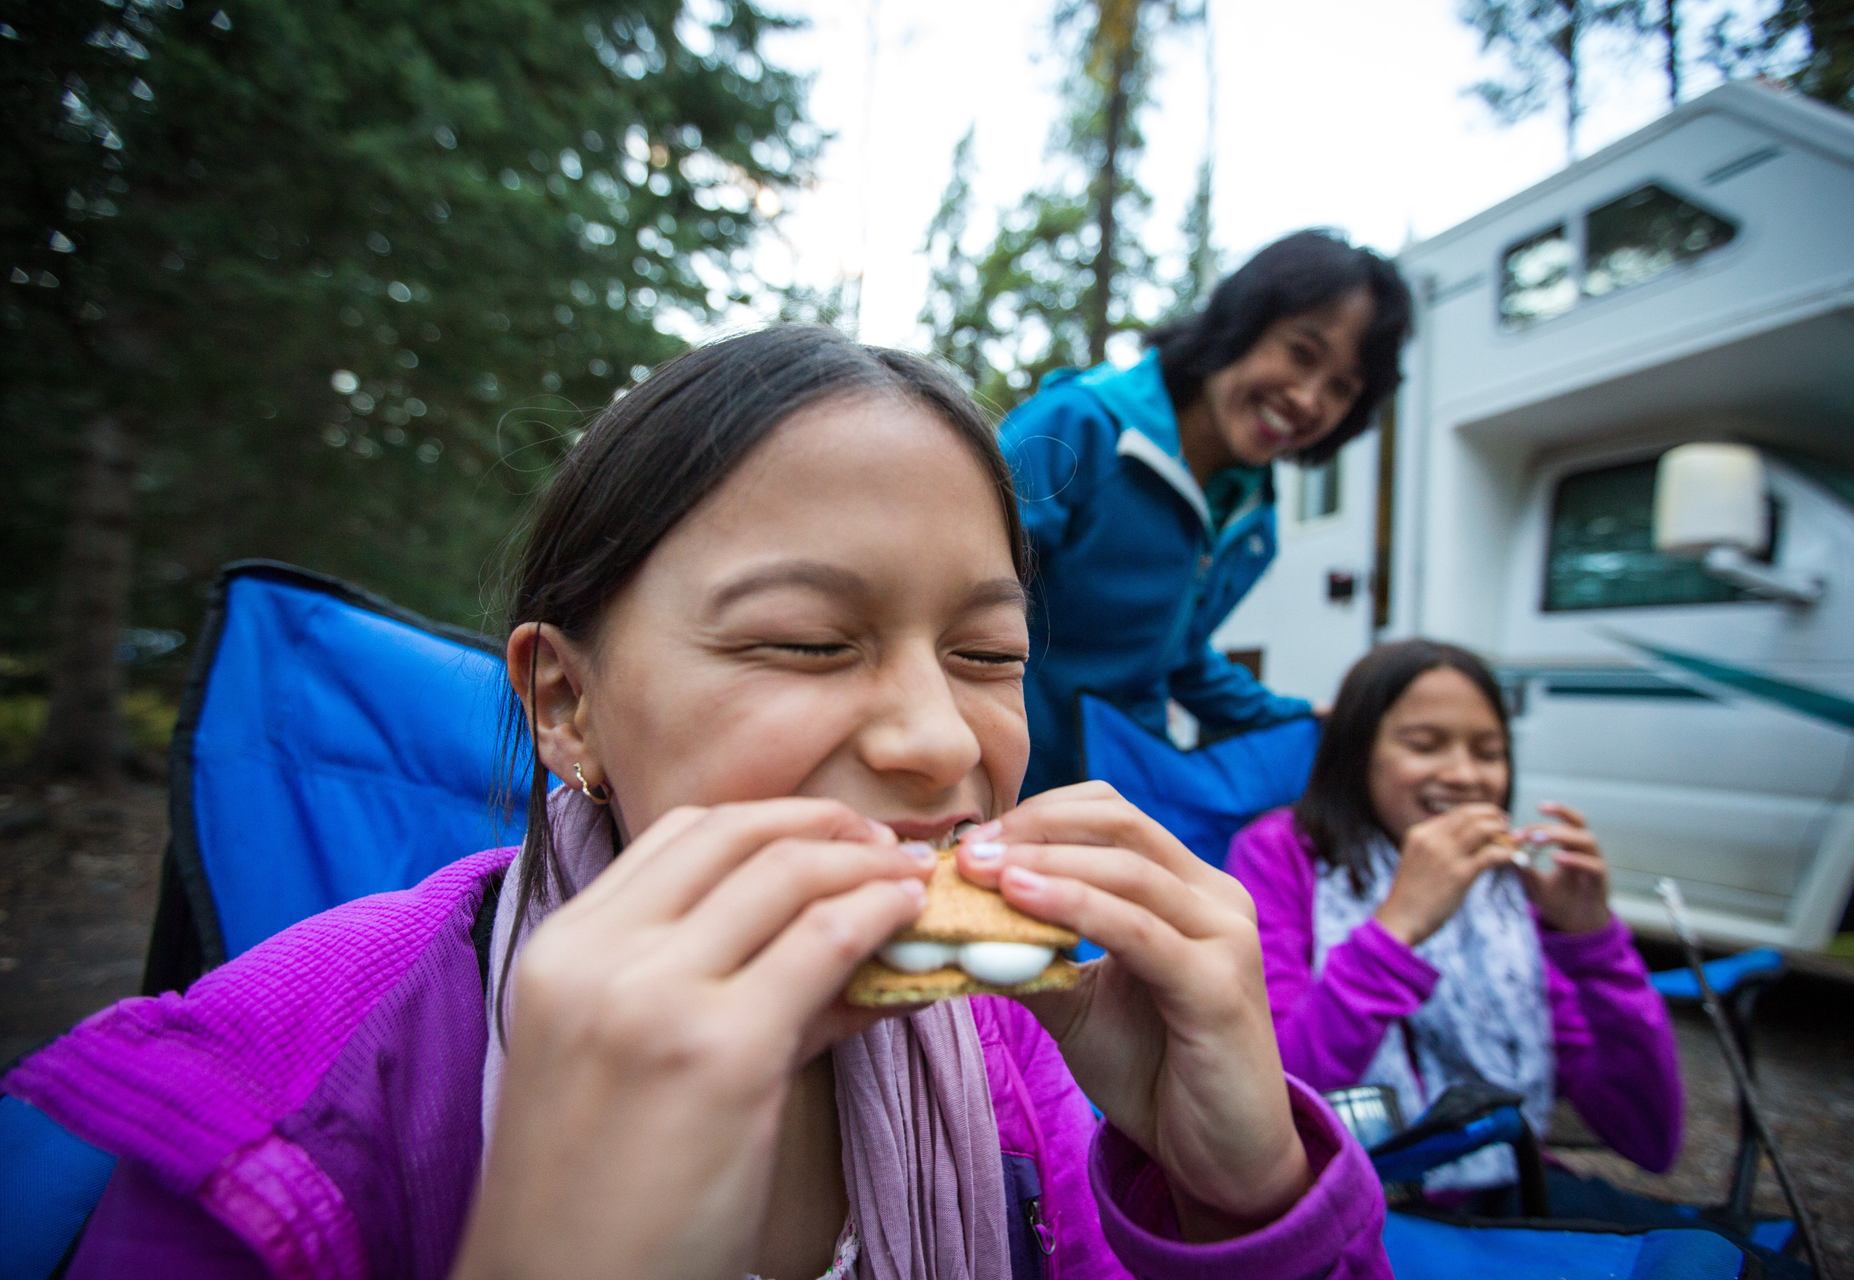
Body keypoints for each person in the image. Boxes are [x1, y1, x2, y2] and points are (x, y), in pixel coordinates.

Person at [9, 327, 1391, 1279]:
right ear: (566, 706)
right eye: (803, 641)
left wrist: (1242, 1197)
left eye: (988, 657)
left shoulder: (1025, 1054)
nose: (934, 741)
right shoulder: (285, 1111)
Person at [1225, 639, 1685, 1211]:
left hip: (1509, 1180)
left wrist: (1594, 946)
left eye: (1489, 752)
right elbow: (1270, 1102)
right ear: (1355, 752)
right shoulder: (1280, 855)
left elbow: (1647, 1139)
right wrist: (1398, 930)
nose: (1466, 775)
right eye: (1425, 745)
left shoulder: (1503, 887)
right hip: (1354, 1203)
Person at [999, 229, 1413, 797]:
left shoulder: (1255, 523)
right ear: (1240, 322)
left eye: (1340, 388)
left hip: (1113, 800)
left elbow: (1178, 658)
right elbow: (949, 597)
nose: (1309, 399)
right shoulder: (1078, 430)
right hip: (1004, 784)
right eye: (1301, 353)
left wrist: (1300, 718)